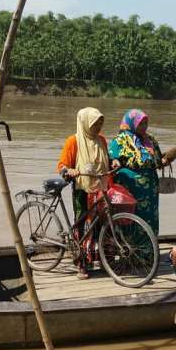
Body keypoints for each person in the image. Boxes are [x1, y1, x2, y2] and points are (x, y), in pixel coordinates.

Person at [56, 107, 115, 280]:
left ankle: (104, 259)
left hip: (102, 188)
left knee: (104, 223)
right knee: (82, 225)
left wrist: (114, 162)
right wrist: (70, 170)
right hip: (83, 189)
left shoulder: (102, 140)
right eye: (95, 124)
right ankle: (81, 263)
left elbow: (108, 160)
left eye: (100, 123)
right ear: (85, 124)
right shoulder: (73, 141)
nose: (98, 127)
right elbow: (61, 166)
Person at [108, 108, 166, 236]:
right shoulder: (120, 140)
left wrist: (166, 160)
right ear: (132, 123)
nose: (144, 127)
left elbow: (158, 160)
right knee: (132, 218)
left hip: (151, 189)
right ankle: (131, 253)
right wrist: (115, 161)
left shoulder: (150, 139)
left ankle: (148, 252)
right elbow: (111, 158)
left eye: (146, 123)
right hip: (131, 188)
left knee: (150, 216)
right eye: (141, 123)